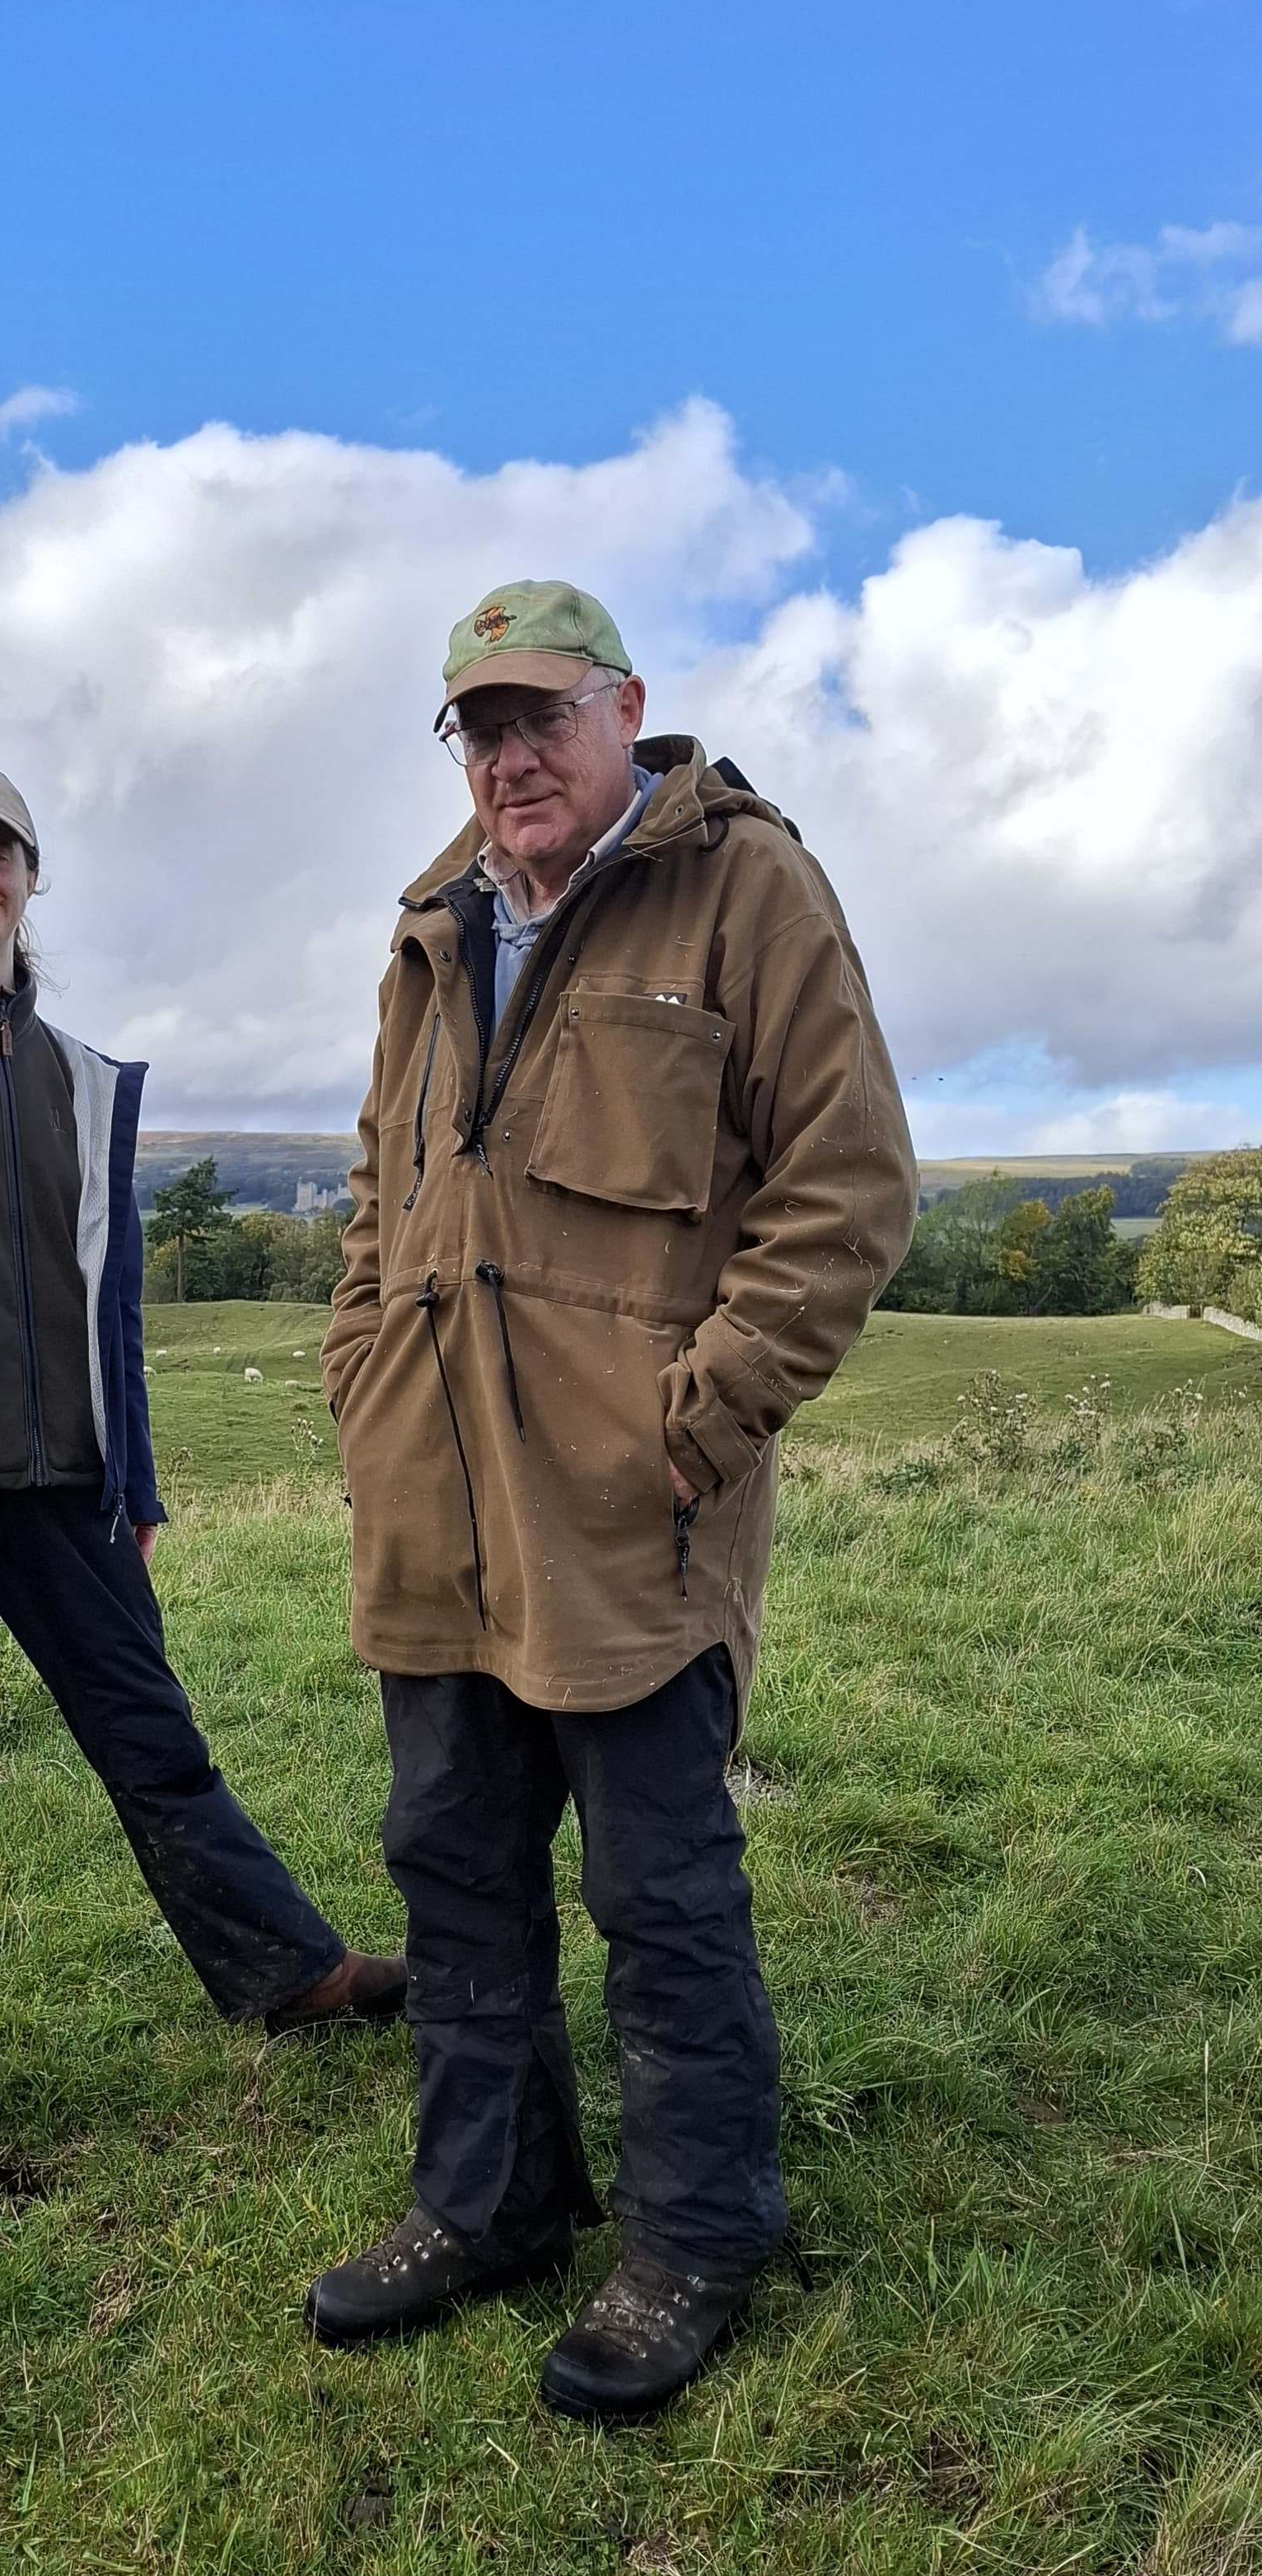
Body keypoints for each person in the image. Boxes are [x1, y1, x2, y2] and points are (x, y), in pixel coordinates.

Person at [308, 582, 916, 2419]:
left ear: (622, 711)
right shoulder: (433, 925)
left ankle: (692, 2233)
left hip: (621, 1503)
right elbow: (375, 1188)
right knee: (451, 1866)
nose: (505, 758)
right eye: (474, 730)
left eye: (536, 718)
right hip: (432, 1495)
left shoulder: (746, 892)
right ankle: (486, 2200)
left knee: (655, 1887)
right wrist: (360, 1377)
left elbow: (848, 1185)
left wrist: (696, 1419)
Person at [0, 759, 404, 2169]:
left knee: (156, 1745)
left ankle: (291, 1974)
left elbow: (112, 1310)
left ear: (32, 876)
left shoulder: (85, 1082)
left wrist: (135, 1477)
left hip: (57, 1486)